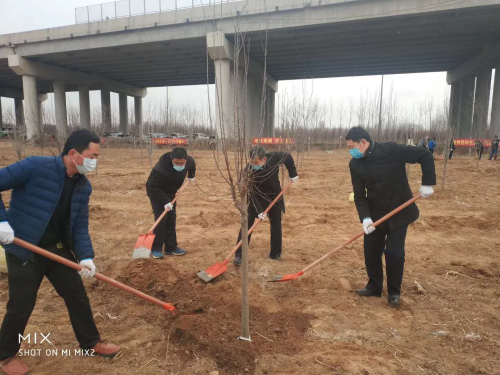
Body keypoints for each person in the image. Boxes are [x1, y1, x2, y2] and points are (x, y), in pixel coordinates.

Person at [0, 129, 120, 375]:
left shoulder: (82, 187)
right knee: (21, 305)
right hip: (25, 249)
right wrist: (2, 222)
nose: (95, 162)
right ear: (74, 153)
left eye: (98, 156)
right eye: (93, 156)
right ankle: (5, 355)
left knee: (76, 296)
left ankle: (90, 342)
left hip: (56, 250)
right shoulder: (35, 166)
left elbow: (79, 225)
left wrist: (86, 256)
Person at [346, 127, 436, 307]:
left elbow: (424, 156)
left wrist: (427, 182)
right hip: (375, 213)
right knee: (371, 251)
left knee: (394, 253)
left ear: (363, 143)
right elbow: (359, 194)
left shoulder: (390, 149)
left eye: (352, 147)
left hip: (399, 210)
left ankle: (394, 293)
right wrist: (365, 217)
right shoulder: (355, 164)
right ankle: (374, 287)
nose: (351, 151)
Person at [233, 146, 298, 265]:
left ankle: (275, 254)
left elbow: (288, 157)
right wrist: (258, 210)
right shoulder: (248, 171)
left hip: (274, 196)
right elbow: (251, 192)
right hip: (256, 197)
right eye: (251, 162)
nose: (253, 165)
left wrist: (293, 174)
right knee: (247, 223)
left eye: (256, 162)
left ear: (264, 159)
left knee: (276, 225)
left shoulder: (274, 157)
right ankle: (239, 255)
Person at [146, 147, 195, 259]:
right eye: (176, 163)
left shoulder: (189, 161)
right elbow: (153, 186)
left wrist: (192, 175)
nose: (179, 165)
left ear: (186, 159)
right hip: (156, 192)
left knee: (171, 218)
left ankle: (171, 248)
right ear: (171, 159)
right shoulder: (160, 169)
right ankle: (156, 248)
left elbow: (192, 165)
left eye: (181, 163)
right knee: (161, 219)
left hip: (171, 192)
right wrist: (165, 201)